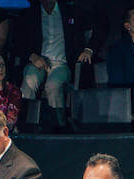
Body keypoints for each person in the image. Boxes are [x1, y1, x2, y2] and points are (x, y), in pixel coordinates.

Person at [17, 0, 108, 131]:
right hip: (37, 61)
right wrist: (32, 56)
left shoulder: (71, 12)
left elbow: (101, 24)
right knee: (30, 81)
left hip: (61, 63)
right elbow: (18, 42)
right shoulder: (30, 14)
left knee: (53, 85)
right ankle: (22, 126)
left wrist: (89, 49)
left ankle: (59, 127)